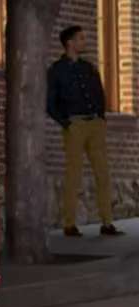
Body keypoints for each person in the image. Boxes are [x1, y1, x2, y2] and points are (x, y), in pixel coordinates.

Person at [47, 25, 125, 237]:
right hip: (75, 125)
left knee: (103, 173)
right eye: (81, 39)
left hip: (95, 124)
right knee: (74, 174)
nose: (84, 42)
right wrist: (66, 123)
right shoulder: (56, 71)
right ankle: (70, 224)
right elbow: (50, 102)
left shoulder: (89, 68)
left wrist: (101, 117)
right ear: (70, 43)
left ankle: (107, 222)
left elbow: (98, 92)